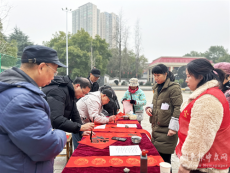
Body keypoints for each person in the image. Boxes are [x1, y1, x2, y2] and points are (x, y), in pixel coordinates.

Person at [0, 45, 67, 173]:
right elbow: (46, 146)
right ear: (42, 67)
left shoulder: (15, 91)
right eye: (54, 71)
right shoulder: (21, 99)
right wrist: (61, 134)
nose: (53, 77)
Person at [176, 59, 230, 173]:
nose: (186, 80)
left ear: (200, 77)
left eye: (189, 76)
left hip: (204, 166)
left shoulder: (208, 99)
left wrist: (187, 164)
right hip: (201, 162)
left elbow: (200, 136)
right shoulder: (205, 94)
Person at [42, 76, 94, 150]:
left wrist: (81, 131)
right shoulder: (58, 91)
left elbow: (74, 113)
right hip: (40, 130)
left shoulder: (70, 93)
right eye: (83, 93)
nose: (83, 96)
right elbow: (56, 119)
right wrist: (80, 127)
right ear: (77, 86)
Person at [145, 64, 183, 164]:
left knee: (165, 160)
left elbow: (177, 107)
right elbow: (155, 103)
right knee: (157, 158)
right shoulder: (157, 87)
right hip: (156, 127)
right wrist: (149, 108)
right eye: (154, 75)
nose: (156, 78)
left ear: (166, 74)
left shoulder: (174, 88)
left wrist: (173, 128)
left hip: (167, 130)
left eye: (158, 75)